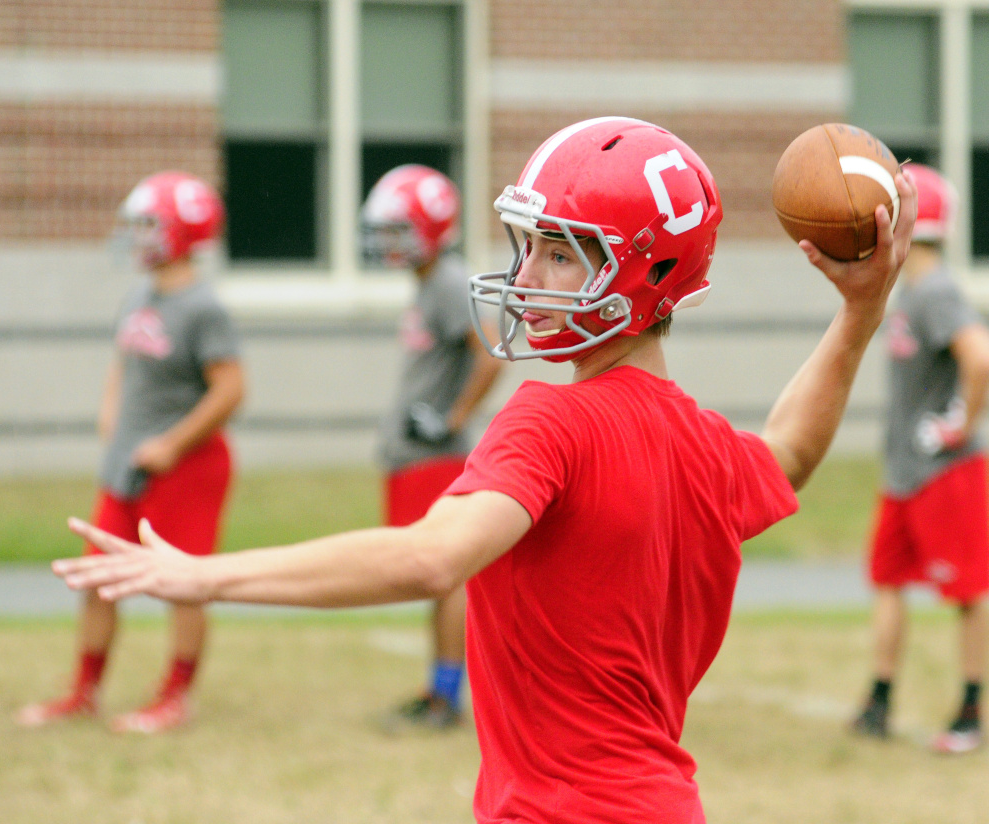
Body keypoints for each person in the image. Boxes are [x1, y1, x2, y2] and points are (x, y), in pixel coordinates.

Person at [51, 117, 915, 821]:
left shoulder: (549, 418)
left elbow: (432, 557)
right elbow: (790, 454)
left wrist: (205, 576)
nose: (526, 275)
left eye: (563, 252)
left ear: (650, 271)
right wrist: (860, 312)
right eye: (529, 244)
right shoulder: (702, 440)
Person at [16, 171, 245, 734]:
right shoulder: (140, 293)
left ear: (183, 231)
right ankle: (84, 692)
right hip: (128, 465)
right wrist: (111, 418)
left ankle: (175, 697)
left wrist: (170, 443)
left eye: (149, 225)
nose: (137, 236)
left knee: (184, 585)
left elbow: (231, 389)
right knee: (97, 578)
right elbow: (124, 365)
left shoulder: (203, 306)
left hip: (186, 468)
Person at [850, 162, 989, 754]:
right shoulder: (908, 290)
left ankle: (969, 712)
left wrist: (960, 421)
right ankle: (879, 701)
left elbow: (979, 357)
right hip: (902, 471)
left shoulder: (935, 292)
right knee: (886, 580)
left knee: (966, 592)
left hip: (945, 471)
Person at [360, 164, 504, 729]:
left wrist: (452, 419)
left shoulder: (447, 281)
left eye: (398, 229)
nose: (386, 242)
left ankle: (446, 698)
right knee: (431, 579)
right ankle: (438, 690)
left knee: (443, 578)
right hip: (415, 456)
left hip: (435, 457)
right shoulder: (428, 283)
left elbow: (489, 355)